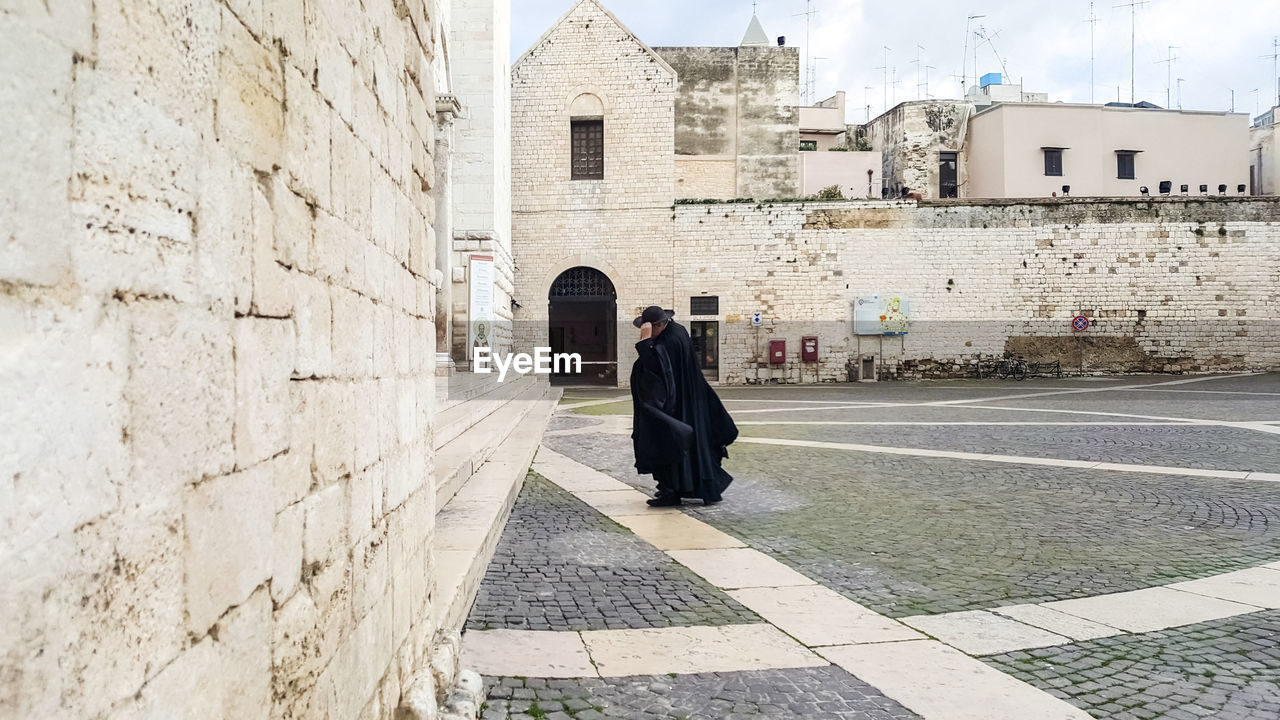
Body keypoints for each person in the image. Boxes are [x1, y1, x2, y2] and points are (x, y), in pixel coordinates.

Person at [629, 306, 738, 507]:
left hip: (675, 405)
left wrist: (644, 343)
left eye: (647, 327)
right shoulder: (676, 331)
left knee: (668, 444)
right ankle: (672, 489)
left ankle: (671, 491)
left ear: (659, 325)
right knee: (681, 446)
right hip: (686, 400)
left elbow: (657, 368)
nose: (645, 331)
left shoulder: (670, 341)